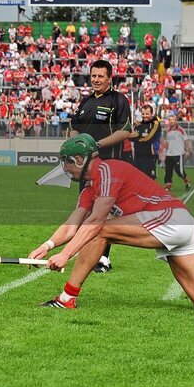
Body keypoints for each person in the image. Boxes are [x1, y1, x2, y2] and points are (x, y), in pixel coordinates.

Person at [29, 134, 194, 316]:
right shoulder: (89, 186)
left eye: (67, 164)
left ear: (78, 160)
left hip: (171, 220)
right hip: (182, 227)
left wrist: (65, 255)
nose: (66, 169)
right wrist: (47, 246)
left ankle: (66, 298)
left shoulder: (107, 170)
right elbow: (73, 223)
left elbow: (96, 224)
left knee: (102, 228)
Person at [69, 59, 132, 273]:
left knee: (103, 213)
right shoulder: (85, 102)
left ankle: (104, 258)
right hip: (85, 169)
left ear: (109, 78)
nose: (96, 80)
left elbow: (125, 131)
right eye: (93, 76)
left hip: (108, 166)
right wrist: (74, 145)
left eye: (100, 76)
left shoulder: (119, 100)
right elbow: (74, 128)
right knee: (86, 210)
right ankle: (88, 252)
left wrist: (95, 145)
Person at [159, 115, 192, 191]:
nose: (171, 122)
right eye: (170, 120)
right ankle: (168, 185)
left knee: (179, 171)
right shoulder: (168, 131)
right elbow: (167, 143)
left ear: (176, 121)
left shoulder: (180, 129)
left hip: (178, 154)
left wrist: (187, 150)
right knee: (168, 170)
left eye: (173, 120)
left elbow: (186, 140)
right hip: (169, 154)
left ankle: (186, 180)